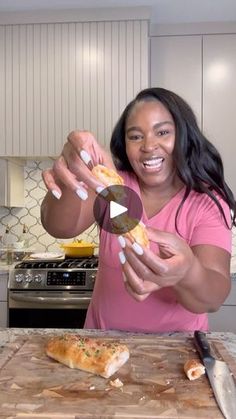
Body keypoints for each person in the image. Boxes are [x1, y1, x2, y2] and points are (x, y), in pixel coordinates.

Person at [41, 87, 236, 333]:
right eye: (135, 136)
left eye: (163, 132)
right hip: (102, 350)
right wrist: (73, 173)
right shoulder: (114, 187)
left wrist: (187, 273)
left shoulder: (205, 201)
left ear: (184, 137)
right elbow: (58, 226)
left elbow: (213, 297)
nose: (148, 146)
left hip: (178, 356)